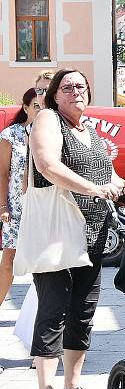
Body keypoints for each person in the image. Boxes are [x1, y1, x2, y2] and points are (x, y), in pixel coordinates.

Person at [28, 68, 125, 389]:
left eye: (81, 86)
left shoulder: (89, 131)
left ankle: (71, 387)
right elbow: (47, 165)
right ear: (55, 95)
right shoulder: (48, 119)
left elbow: (105, 176)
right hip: (58, 232)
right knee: (53, 309)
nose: (76, 91)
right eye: (67, 87)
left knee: (82, 312)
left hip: (94, 233)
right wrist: (94, 189)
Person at [0, 88, 39, 303]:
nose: (39, 110)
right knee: (9, 261)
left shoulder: (50, 134)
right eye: (35, 106)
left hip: (42, 207)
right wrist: (3, 207)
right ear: (25, 108)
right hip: (16, 209)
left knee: (44, 264)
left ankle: (43, 312)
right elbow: (2, 173)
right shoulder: (10, 135)